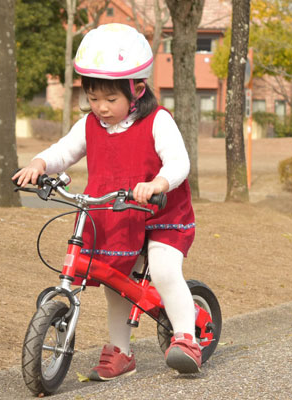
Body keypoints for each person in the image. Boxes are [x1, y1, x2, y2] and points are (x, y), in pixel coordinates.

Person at [12, 23, 200, 380]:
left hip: (161, 213)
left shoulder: (158, 121)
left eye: (110, 100)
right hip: (116, 214)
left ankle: (187, 339)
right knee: (115, 281)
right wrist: (39, 164)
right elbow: (63, 152)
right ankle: (121, 352)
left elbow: (179, 162)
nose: (101, 107)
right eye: (93, 98)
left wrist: (157, 183)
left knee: (162, 270)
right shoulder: (89, 125)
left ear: (138, 90)